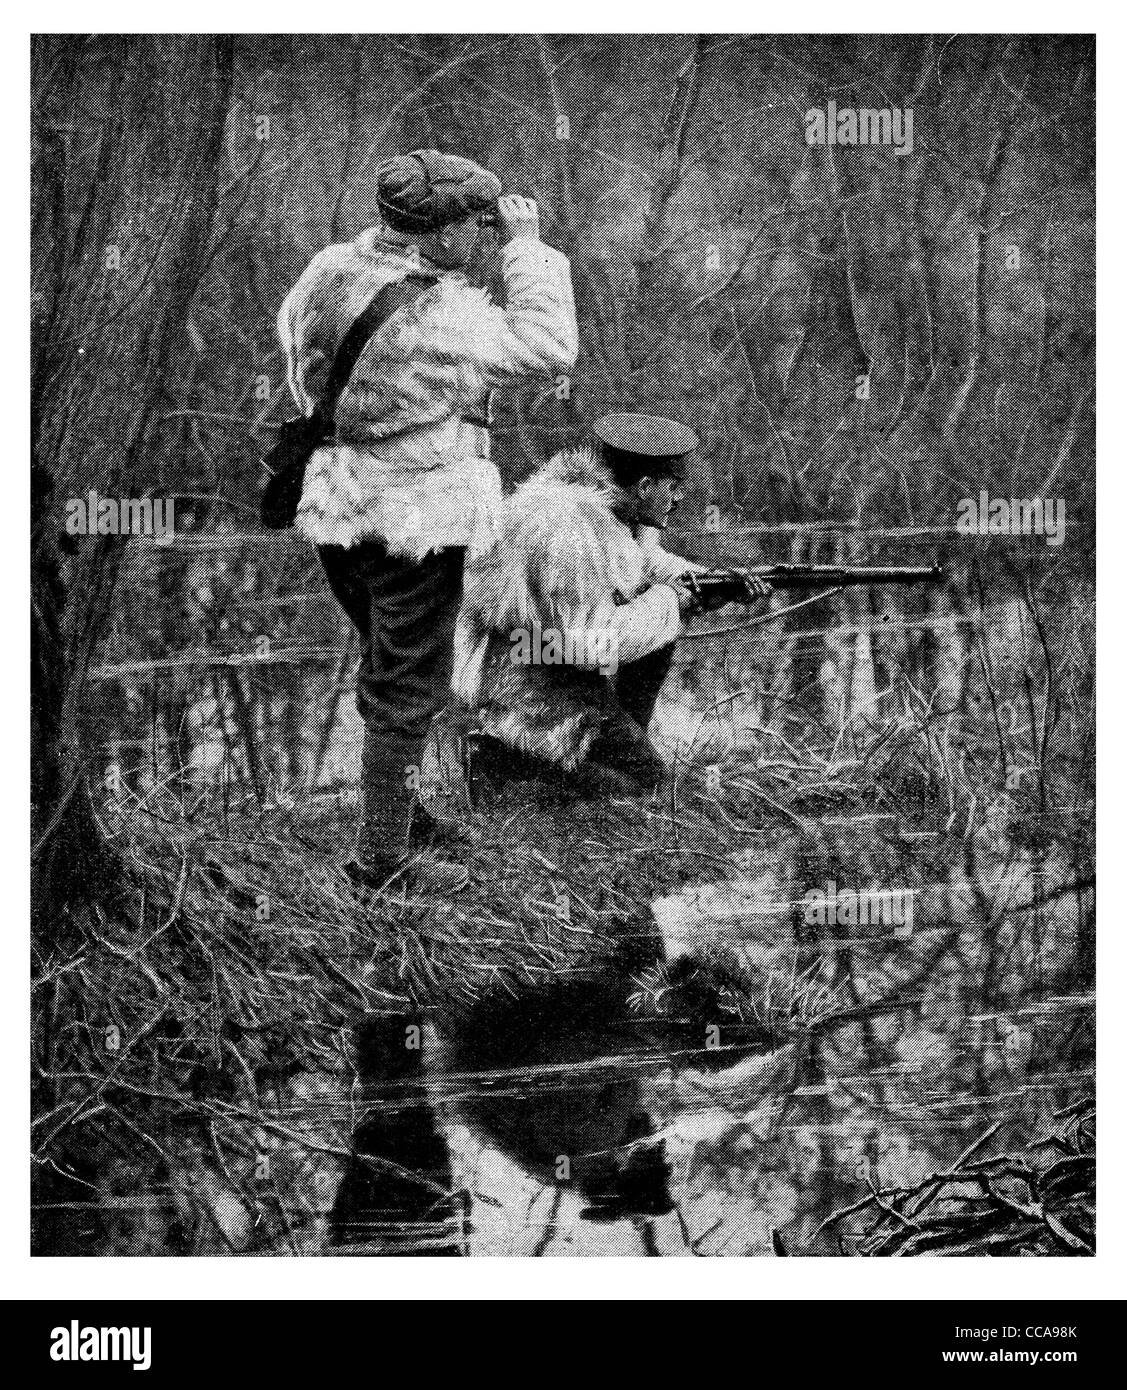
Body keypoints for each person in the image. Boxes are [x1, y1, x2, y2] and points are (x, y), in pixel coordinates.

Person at [276, 150, 578, 885]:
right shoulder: (443, 316)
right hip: (412, 521)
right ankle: (382, 860)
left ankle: (399, 814)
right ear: (438, 238)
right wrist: (526, 248)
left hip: (337, 506)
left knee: (390, 663)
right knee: (409, 687)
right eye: (472, 226)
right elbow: (549, 347)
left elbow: (295, 349)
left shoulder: (330, 269)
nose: (479, 237)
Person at [452, 413, 771, 796]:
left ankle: (611, 746)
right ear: (644, 486)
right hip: (522, 677)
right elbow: (591, 644)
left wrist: (715, 582)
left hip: (554, 661)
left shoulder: (615, 511)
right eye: (674, 486)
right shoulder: (569, 529)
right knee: (641, 792)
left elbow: (646, 564)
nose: (679, 497)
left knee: (644, 782)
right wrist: (672, 601)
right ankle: (501, 759)